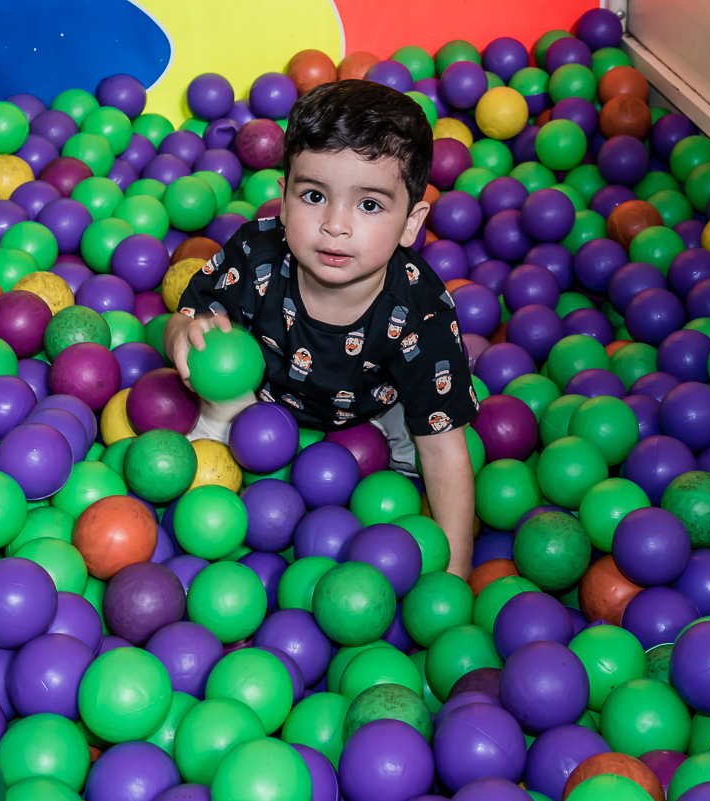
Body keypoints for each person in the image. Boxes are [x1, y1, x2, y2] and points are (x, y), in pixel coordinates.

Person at [164, 79, 479, 577]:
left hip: (378, 406)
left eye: (369, 204)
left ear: (412, 222)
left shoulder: (421, 311)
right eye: (313, 195)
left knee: (433, 448)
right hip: (259, 406)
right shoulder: (255, 253)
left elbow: (445, 452)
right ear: (283, 201)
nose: (336, 224)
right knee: (200, 431)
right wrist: (183, 334)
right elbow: (187, 317)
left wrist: (456, 578)